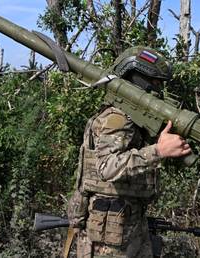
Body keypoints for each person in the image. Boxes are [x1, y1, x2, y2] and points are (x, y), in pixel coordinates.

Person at [67, 46, 191, 258]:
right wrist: (158, 151)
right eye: (154, 82)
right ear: (138, 80)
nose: (158, 89)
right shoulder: (117, 118)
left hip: (127, 223)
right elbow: (107, 167)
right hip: (109, 235)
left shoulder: (134, 119)